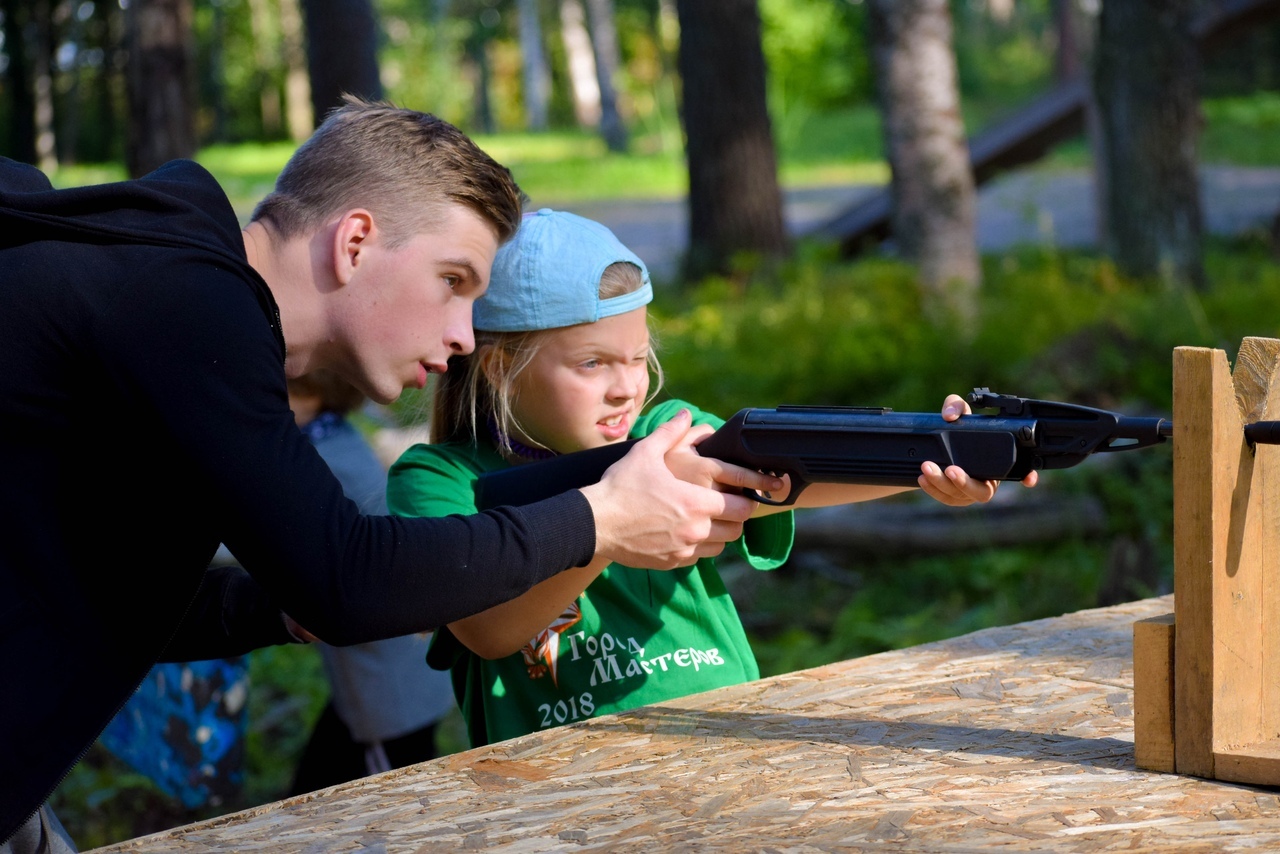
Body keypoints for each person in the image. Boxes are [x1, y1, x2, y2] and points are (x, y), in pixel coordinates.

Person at [0, 100, 777, 851]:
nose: (463, 336)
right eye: (453, 280)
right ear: (356, 242)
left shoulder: (162, 293)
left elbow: (104, 591)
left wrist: (276, 605)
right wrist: (601, 518)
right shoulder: (187, 304)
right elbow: (351, 583)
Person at [385, 209, 1036, 747]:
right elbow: (490, 631)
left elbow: (800, 474)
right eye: (592, 364)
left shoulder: (670, 432)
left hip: (724, 745)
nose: (626, 388)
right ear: (498, 368)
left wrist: (931, 459)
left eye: (637, 359)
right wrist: (615, 516)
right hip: (551, 782)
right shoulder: (440, 480)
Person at [284, 370, 456, 794]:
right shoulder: (332, 438)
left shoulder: (319, 461)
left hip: (390, 689)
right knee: (320, 783)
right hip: (387, 670)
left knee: (391, 795)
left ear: (314, 396)